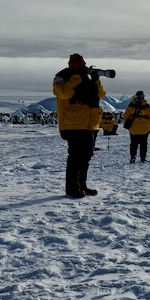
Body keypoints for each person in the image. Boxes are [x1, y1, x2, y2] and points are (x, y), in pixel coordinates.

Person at [52, 53, 105, 198]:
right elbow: (65, 93)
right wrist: (78, 77)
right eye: (79, 66)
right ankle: (72, 188)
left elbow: (99, 95)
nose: (82, 68)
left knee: (86, 155)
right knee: (76, 156)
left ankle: (82, 185)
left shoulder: (86, 80)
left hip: (90, 123)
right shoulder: (62, 78)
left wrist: (96, 80)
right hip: (73, 124)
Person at [123, 91, 150, 163]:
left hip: (133, 129)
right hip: (144, 128)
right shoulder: (146, 106)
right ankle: (143, 158)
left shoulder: (131, 105)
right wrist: (146, 122)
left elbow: (125, 116)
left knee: (133, 144)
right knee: (143, 144)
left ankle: (133, 157)